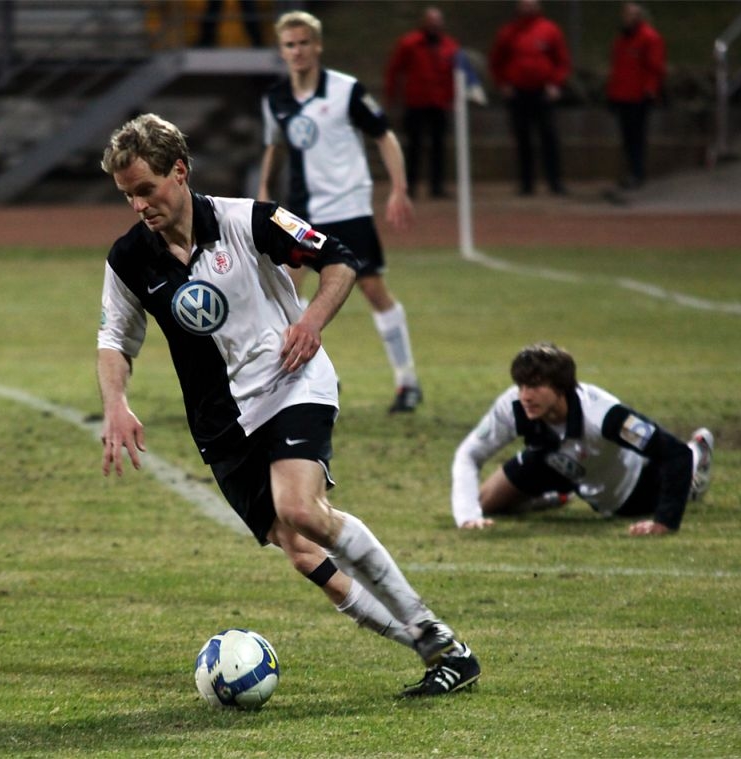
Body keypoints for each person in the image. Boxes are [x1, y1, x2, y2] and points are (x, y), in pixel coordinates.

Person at [96, 113, 480, 697]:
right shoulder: (129, 258)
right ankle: (445, 654)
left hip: (290, 381)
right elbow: (114, 340)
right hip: (221, 423)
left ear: (179, 172)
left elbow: (340, 259)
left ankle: (437, 637)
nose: (139, 205)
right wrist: (116, 403)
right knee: (302, 552)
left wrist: (312, 321)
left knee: (302, 510)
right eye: (127, 195)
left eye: (146, 189)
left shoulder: (251, 219)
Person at [257, 10, 423, 413]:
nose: (297, 51)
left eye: (304, 43)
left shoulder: (346, 91)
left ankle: (407, 381)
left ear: (317, 46)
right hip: (301, 213)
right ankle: (314, 374)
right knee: (283, 291)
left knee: (372, 289)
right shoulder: (276, 99)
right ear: (282, 51)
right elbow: (275, 146)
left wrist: (399, 188)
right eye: (290, 45)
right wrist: (263, 191)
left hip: (348, 208)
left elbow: (384, 136)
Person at [451, 342, 714, 535]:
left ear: (561, 387)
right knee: (485, 502)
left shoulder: (605, 416)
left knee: (672, 474)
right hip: (555, 462)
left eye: (535, 386)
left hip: (627, 488)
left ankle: (697, 461)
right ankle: (552, 496)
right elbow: (469, 454)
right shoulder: (513, 406)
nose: (525, 396)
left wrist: (665, 523)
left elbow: (673, 453)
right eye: (521, 386)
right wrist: (467, 516)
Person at [489, 0, 570, 196]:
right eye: (524, 5)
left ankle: (555, 182)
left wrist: (555, 84)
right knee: (522, 138)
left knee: (549, 137)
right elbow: (496, 61)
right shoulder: (508, 32)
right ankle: (526, 184)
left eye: (531, 5)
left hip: (544, 93)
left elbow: (562, 61)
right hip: (518, 94)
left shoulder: (550, 30)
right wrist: (503, 84)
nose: (528, 9)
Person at [384, 6, 460, 199]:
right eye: (431, 21)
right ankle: (410, 186)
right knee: (413, 146)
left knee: (438, 146)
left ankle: (437, 186)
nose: (434, 25)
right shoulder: (409, 43)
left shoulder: (450, 46)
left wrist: (453, 98)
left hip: (439, 103)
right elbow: (394, 70)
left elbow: (455, 75)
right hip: (416, 102)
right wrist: (391, 96)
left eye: (437, 21)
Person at [606, 2, 666, 190]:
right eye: (626, 15)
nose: (628, 19)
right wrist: (612, 94)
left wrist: (650, 90)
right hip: (622, 95)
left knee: (637, 137)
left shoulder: (649, 38)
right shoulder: (621, 40)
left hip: (639, 97)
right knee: (627, 137)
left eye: (632, 15)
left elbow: (655, 68)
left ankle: (637, 173)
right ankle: (631, 171)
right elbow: (617, 69)